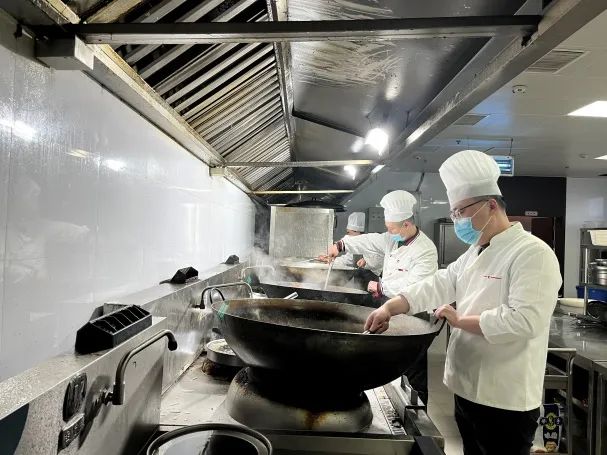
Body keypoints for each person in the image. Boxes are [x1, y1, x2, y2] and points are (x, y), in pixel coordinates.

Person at [365, 150, 562, 455]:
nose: (457, 220)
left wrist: (460, 321)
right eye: (454, 213)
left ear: (491, 205)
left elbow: (525, 321)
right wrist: (391, 306)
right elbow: (440, 283)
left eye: (460, 211)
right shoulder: (475, 252)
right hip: (467, 389)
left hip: (505, 398)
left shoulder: (532, 253)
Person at [328, 190, 438, 403]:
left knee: (413, 367)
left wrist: (381, 286)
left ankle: (418, 412)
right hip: (390, 309)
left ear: (406, 224)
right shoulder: (392, 239)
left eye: (391, 228)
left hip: (414, 314)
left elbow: (416, 285)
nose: (389, 232)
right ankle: (392, 400)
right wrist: (341, 245)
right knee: (390, 360)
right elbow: (369, 241)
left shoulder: (425, 249)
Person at [323, 212, 383, 277]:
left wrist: (367, 262)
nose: (347, 236)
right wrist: (331, 260)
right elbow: (348, 259)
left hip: (376, 277)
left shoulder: (369, 243)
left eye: (348, 232)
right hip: (364, 276)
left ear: (356, 231)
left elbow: (380, 261)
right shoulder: (355, 244)